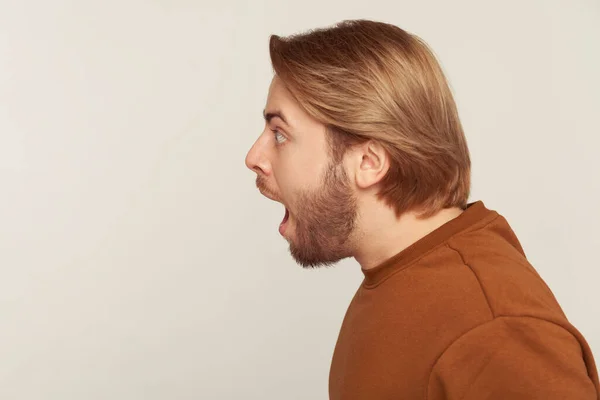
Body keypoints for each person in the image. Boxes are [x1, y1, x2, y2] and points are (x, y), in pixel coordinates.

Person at [244, 19, 600, 399]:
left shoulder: (495, 333)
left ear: (369, 162)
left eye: (280, 134)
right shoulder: (395, 277)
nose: (254, 157)